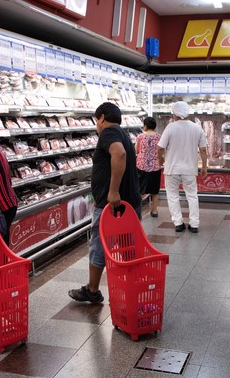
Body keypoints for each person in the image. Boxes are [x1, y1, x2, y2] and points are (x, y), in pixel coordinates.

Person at [68, 102, 141, 303]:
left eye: (96, 120)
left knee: (99, 245)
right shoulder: (123, 133)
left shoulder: (108, 132)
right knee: (128, 247)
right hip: (129, 203)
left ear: (101, 118)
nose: (96, 125)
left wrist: (113, 191)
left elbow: (119, 153)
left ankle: (92, 290)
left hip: (112, 206)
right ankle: (132, 287)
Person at [158, 101, 207, 233]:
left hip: (172, 169)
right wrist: (204, 166)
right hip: (190, 169)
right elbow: (203, 149)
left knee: (173, 196)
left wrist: (160, 159)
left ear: (175, 114)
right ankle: (194, 224)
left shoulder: (170, 127)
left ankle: (178, 223)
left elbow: (160, 147)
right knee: (192, 196)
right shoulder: (197, 128)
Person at [136, 117, 162, 217]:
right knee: (154, 190)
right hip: (155, 166)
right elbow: (161, 150)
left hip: (141, 166)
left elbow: (137, 150)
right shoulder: (159, 137)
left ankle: (138, 211)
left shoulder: (140, 136)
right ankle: (154, 211)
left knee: (139, 189)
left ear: (145, 126)